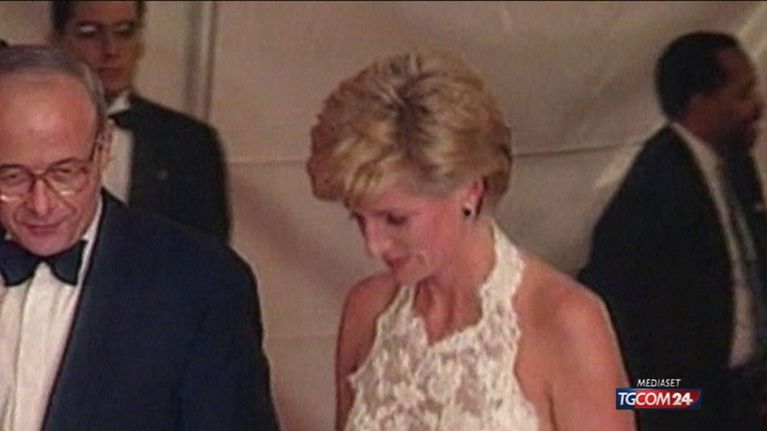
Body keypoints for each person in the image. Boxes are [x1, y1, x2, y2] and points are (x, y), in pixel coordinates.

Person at [307, 51, 634, 431]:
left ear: (470, 191)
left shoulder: (566, 321)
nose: (373, 246)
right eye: (358, 219)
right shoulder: (367, 310)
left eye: (395, 219)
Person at [0, 45, 278, 430]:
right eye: (12, 177)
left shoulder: (202, 285)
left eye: (66, 173)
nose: (41, 204)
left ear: (103, 149)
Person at [578, 31, 766, 430]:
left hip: (740, 397)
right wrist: (679, 406)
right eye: (743, 94)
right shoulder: (652, 193)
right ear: (700, 103)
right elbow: (622, 332)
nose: (757, 106)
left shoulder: (736, 167)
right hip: (687, 406)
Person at [49, 0, 230, 242]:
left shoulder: (190, 142)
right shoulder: (22, 134)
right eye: (90, 33)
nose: (111, 50)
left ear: (140, 43)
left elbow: (210, 253)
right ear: (57, 42)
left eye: (125, 32)